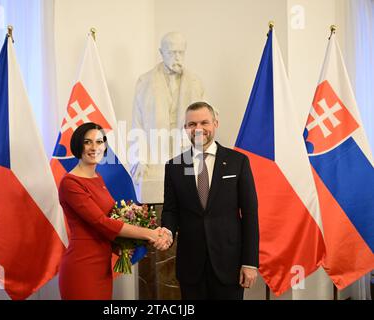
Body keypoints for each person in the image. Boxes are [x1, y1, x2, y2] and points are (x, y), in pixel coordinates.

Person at [58, 122, 172, 300]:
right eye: (88, 142)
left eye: (99, 142)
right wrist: (150, 234)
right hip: (82, 267)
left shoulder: (98, 177)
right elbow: (102, 222)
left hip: (102, 267)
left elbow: (110, 218)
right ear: (78, 145)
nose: (94, 147)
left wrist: (126, 245)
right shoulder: (70, 183)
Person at [161, 102, 259, 300]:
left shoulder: (237, 161)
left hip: (229, 265)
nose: (198, 129)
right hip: (191, 267)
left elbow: (250, 214)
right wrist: (167, 231)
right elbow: (171, 210)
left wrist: (250, 262)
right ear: (185, 128)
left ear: (215, 124)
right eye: (192, 124)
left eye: (204, 122)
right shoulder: (174, 166)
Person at [130, 32, 204, 187]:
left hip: (185, 153)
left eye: (180, 52)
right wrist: (140, 159)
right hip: (155, 156)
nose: (177, 57)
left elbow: (204, 121)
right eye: (171, 52)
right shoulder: (145, 82)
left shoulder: (196, 83)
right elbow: (138, 126)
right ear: (161, 53)